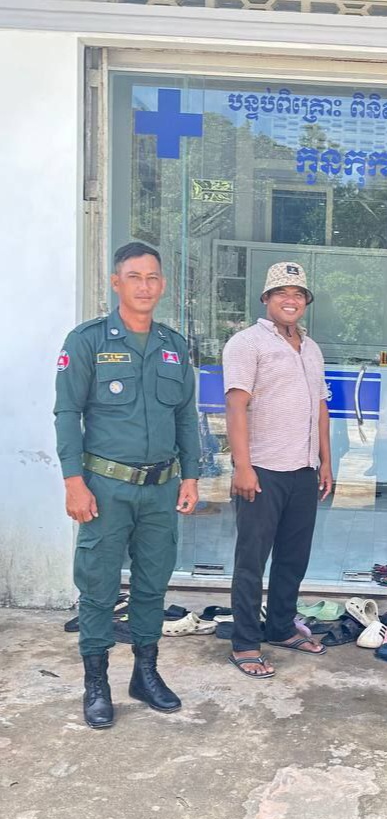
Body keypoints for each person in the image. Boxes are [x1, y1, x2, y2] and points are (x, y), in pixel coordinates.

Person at [54, 241, 201, 728]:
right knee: (98, 586)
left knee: (151, 585)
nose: (144, 286)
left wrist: (191, 475)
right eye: (134, 277)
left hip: (161, 488)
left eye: (152, 277)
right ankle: (96, 683)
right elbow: (67, 413)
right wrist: (74, 482)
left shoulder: (174, 346)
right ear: (116, 283)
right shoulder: (88, 341)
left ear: (163, 285)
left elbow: (185, 417)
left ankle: (145, 674)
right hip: (105, 487)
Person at [223, 262, 333, 678]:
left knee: (293, 558)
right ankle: (245, 643)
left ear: (306, 302)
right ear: (266, 299)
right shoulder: (246, 343)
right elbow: (235, 406)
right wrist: (243, 466)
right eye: (282, 292)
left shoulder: (312, 348)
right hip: (263, 469)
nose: (291, 300)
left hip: (303, 470)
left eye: (298, 293)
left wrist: (325, 460)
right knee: (252, 561)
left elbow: (321, 407)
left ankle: (282, 627)